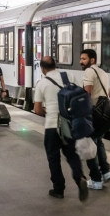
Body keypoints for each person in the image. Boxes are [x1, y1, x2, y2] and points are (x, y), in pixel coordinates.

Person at [33, 56, 88, 201]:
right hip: (69, 124)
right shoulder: (68, 76)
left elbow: (37, 109)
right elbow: (80, 95)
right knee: (71, 154)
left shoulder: (42, 83)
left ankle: (58, 189)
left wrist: (49, 112)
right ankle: (80, 177)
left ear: (42, 69)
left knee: (53, 157)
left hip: (52, 125)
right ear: (55, 65)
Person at [80, 49, 110, 190]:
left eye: (83, 59)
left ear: (92, 60)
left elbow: (87, 94)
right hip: (103, 115)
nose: (81, 62)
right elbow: (109, 93)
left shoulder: (89, 72)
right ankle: (106, 172)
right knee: (98, 142)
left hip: (91, 115)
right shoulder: (103, 73)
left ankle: (96, 180)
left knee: (89, 147)